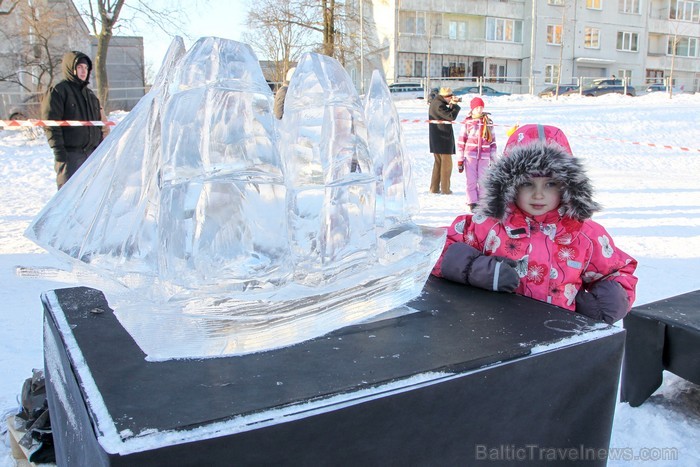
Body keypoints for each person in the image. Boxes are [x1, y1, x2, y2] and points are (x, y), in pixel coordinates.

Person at [432, 124, 638, 324]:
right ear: (509, 185)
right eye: (527, 183)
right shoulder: (487, 225)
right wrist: (476, 269)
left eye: (550, 184)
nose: (538, 194)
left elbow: (618, 271)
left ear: (567, 186)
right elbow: (433, 250)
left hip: (558, 339)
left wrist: (609, 301)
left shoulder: (585, 234)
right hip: (493, 335)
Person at [42, 51, 104, 189]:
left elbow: (98, 125)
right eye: (80, 67)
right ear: (71, 68)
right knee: (68, 199)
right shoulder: (59, 91)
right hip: (70, 156)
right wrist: (60, 153)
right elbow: (51, 124)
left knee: (89, 196)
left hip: (91, 155)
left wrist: (99, 147)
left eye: (86, 68)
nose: (84, 71)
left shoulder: (90, 95)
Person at [456, 97, 496, 212]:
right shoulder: (468, 122)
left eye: (481, 107)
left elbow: (493, 142)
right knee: (471, 180)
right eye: (477, 107)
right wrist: (460, 159)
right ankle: (472, 202)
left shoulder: (488, 122)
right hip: (470, 156)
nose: (479, 110)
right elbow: (461, 141)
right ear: (472, 109)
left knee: (483, 180)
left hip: (484, 156)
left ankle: (483, 202)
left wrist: (493, 159)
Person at [428, 87, 461, 194]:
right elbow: (451, 116)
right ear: (445, 97)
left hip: (437, 139)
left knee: (438, 164)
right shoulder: (439, 105)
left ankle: (434, 188)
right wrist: (455, 106)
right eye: (450, 97)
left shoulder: (436, 102)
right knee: (446, 166)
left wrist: (451, 105)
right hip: (443, 139)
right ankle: (445, 189)